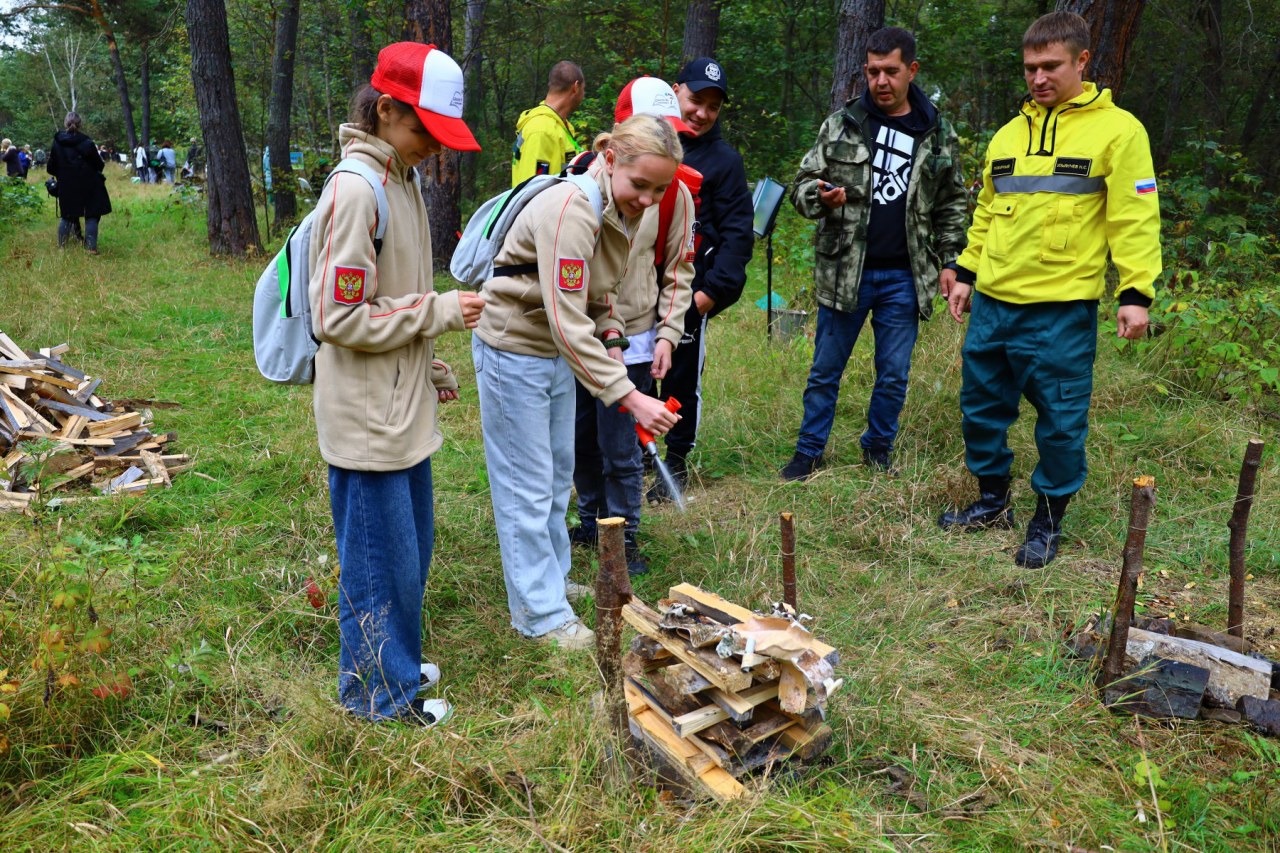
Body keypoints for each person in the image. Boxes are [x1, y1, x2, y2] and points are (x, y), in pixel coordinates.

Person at [938, 11, 1161, 568]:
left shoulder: (1119, 131)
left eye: (1050, 66)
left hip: (1060, 312)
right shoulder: (1009, 134)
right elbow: (988, 210)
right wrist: (966, 273)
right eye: (1030, 68)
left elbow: (1134, 217)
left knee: (1060, 423)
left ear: (1082, 61)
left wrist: (1136, 292)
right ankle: (992, 503)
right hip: (994, 305)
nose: (1038, 78)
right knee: (981, 410)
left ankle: (1048, 520)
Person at [307, 42, 485, 726]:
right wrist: (440, 312)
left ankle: (396, 661)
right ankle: (379, 697)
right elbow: (338, 315)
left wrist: (428, 360)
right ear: (385, 111)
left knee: (411, 548)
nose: (431, 150)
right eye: (422, 132)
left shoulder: (401, 180)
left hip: (400, 404)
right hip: (368, 419)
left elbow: (394, 296)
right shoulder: (358, 189)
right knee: (379, 562)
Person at [474, 114, 683, 649]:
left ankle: (548, 582)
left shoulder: (618, 208)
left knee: (553, 478)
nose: (649, 199)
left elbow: (598, 297)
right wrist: (629, 395)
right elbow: (568, 320)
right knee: (525, 483)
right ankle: (539, 615)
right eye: (641, 184)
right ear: (610, 157)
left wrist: (613, 337)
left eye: (660, 190)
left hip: (551, 355)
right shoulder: (571, 209)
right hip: (514, 350)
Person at [780, 27, 968, 481]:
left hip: (905, 276)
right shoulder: (842, 123)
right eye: (873, 71)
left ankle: (878, 449)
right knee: (825, 370)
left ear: (911, 71)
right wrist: (819, 197)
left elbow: (953, 202)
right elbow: (801, 185)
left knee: (892, 374)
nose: (881, 81)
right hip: (846, 271)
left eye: (891, 71)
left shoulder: (937, 132)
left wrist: (951, 262)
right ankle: (809, 452)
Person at [569, 78, 695, 576]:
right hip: (581, 332)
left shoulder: (675, 195)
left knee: (623, 444)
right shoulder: (580, 182)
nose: (648, 195)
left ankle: (624, 536)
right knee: (582, 436)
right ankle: (589, 520)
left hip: (638, 338)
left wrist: (666, 334)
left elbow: (678, 268)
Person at [648, 57, 755, 501]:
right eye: (695, 100)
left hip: (690, 292)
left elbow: (737, 233)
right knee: (634, 372)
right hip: (633, 287)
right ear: (676, 91)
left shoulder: (725, 161)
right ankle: (630, 453)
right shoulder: (647, 143)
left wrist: (710, 294)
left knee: (678, 379)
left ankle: (675, 461)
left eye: (713, 106)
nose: (702, 112)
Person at [47, 112, 112, 255]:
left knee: (67, 215)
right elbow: (99, 165)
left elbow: (50, 167)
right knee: (92, 215)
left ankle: (62, 248)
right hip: (90, 183)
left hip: (67, 184)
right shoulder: (87, 143)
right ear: (80, 124)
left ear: (65, 123)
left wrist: (62, 173)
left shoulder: (57, 143)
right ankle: (91, 249)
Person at [511, 61, 585, 186]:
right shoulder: (541, 130)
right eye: (584, 89)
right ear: (575, 87)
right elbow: (531, 191)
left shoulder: (560, 126)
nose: (583, 95)